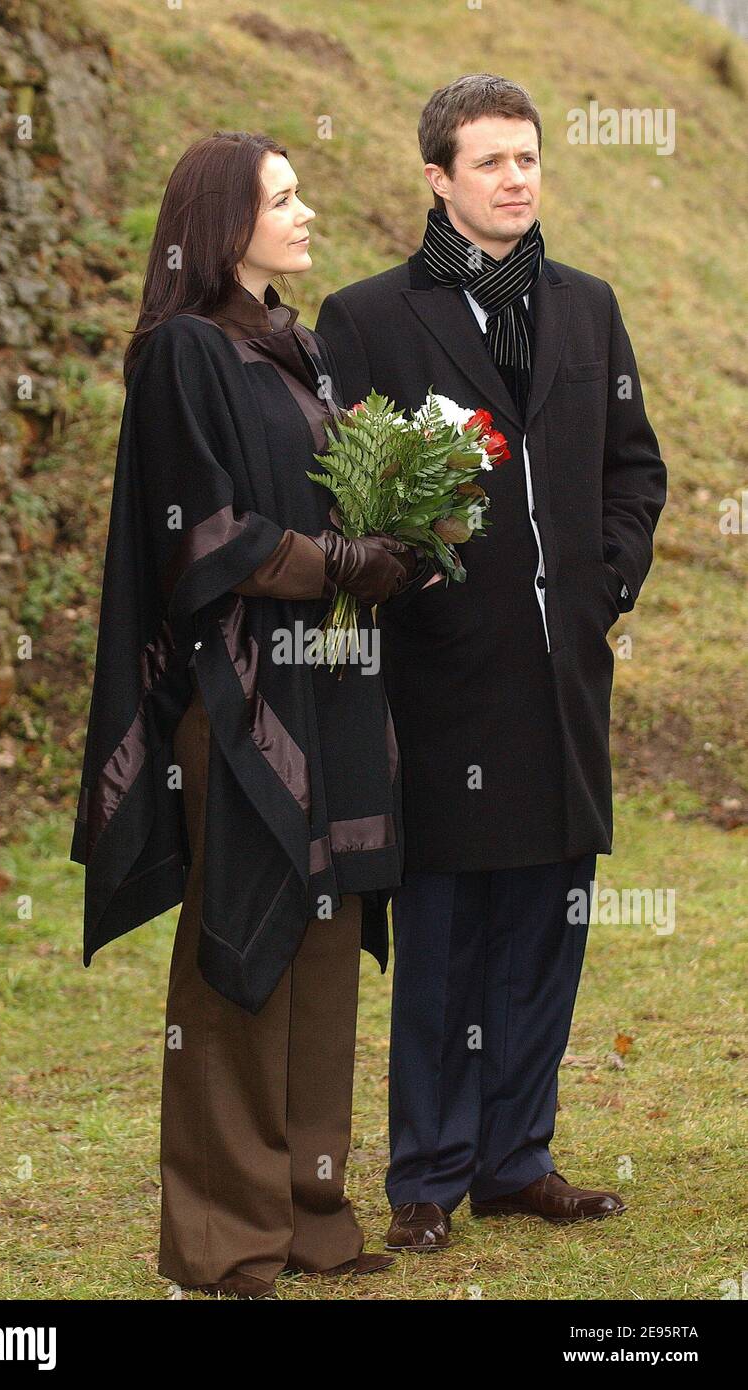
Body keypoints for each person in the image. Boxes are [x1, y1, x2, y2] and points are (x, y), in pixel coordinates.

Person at [315, 74, 667, 1248]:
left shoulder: (587, 306)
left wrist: (607, 583)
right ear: (436, 177)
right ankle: (426, 1174)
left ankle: (519, 1158)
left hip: (564, 683)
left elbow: (634, 468)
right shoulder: (364, 318)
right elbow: (341, 495)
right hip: (440, 683)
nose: (517, 180)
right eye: (491, 163)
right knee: (445, 940)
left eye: (528, 159)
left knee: (547, 925)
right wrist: (408, 578)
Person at [69, 130, 421, 1297]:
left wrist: (404, 530)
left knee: (322, 955)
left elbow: (340, 492)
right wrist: (340, 559)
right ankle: (225, 1243)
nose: (306, 211)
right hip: (239, 697)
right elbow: (202, 536)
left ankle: (313, 1217)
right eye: (283, 197)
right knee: (245, 950)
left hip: (328, 685)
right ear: (225, 223)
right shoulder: (184, 355)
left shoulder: (303, 351)